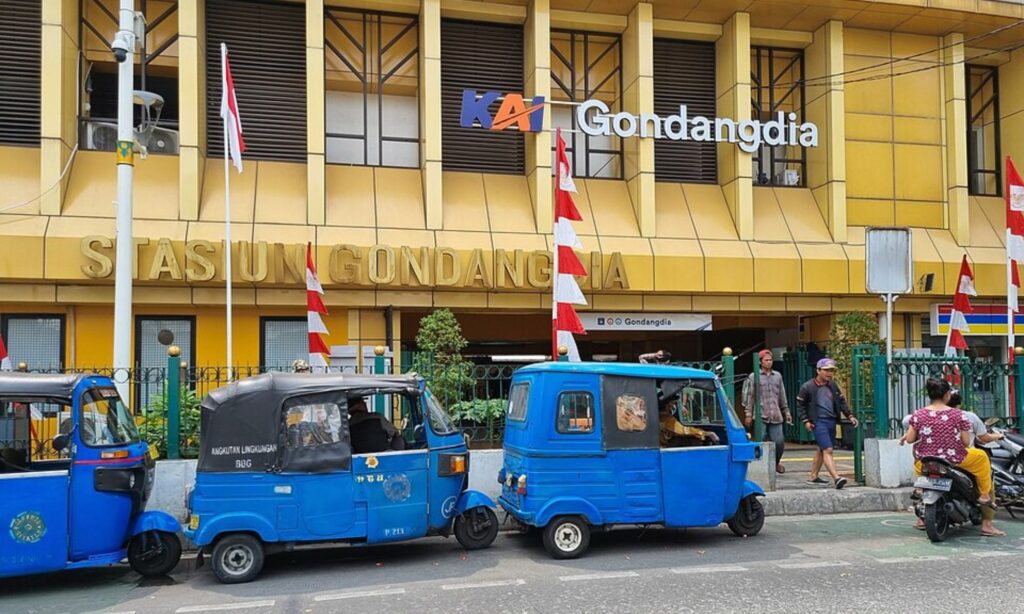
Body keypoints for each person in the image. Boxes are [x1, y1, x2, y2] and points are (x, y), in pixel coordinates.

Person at [901, 388, 1005, 537]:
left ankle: (921, 508)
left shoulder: (920, 414)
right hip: (957, 458)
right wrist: (997, 436)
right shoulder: (962, 416)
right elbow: (971, 441)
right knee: (984, 465)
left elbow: (910, 432)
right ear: (947, 396)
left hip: (928, 458)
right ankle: (986, 519)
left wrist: (910, 434)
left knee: (919, 462)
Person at [796, 357, 859, 489]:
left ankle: (813, 476)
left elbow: (841, 402)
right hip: (818, 422)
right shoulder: (807, 387)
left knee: (821, 449)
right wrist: (806, 420)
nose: (829, 373)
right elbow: (800, 405)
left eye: (831, 370)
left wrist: (850, 415)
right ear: (818, 370)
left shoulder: (833, 386)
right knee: (828, 449)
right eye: (826, 370)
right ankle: (836, 478)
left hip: (831, 421)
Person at [742, 349, 792, 474]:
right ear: (760, 362)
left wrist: (786, 412)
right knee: (761, 440)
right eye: (766, 360)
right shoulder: (754, 376)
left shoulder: (778, 376)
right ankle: (760, 465)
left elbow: (782, 395)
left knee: (779, 442)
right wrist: (748, 414)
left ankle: (775, 463)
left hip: (775, 414)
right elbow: (750, 397)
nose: (769, 362)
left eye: (770, 360)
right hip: (760, 415)